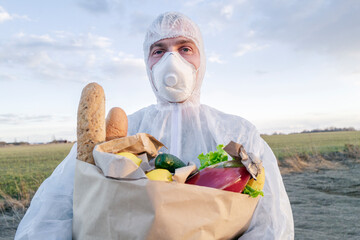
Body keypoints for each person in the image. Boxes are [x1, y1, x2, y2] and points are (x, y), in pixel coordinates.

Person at [15, 12, 294, 239]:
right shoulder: (120, 134)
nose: (172, 60)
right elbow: (56, 206)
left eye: (185, 48)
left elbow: (271, 224)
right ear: (147, 62)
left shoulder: (238, 132)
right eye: (159, 51)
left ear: (202, 59)